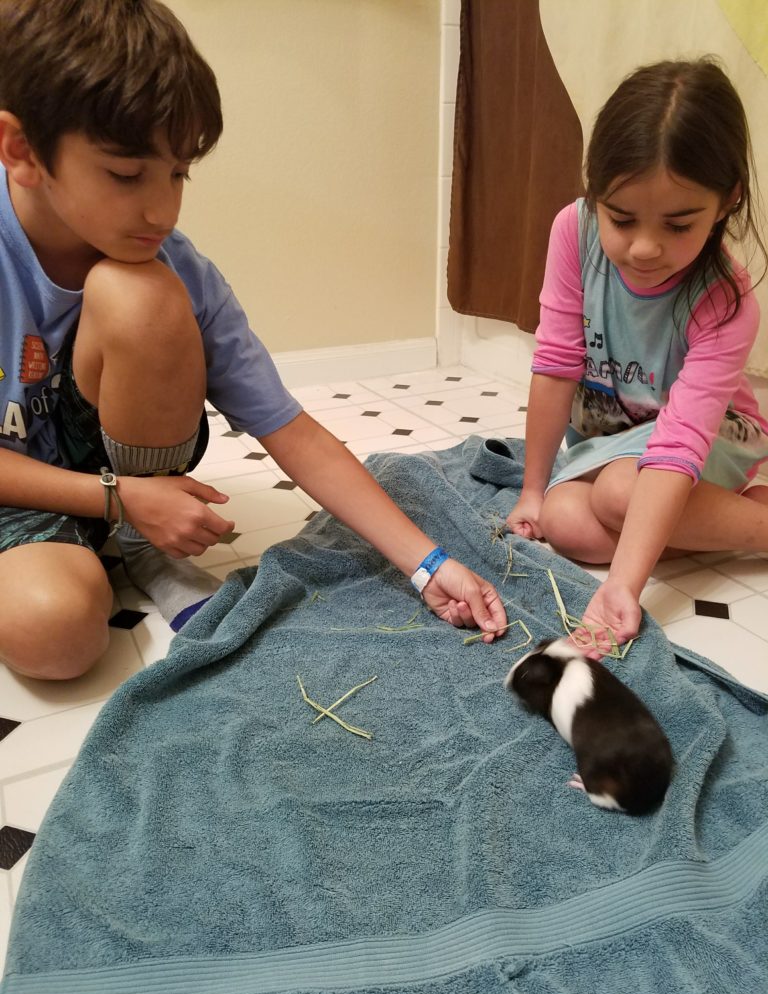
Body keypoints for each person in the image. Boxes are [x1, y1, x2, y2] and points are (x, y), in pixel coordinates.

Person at [0, 0, 507, 681]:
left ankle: (140, 543)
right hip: (20, 497)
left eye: (179, 172)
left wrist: (428, 564)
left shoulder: (173, 265)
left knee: (142, 294)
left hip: (119, 487)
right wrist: (116, 496)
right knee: (57, 636)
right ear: (23, 151)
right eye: (126, 175)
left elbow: (290, 430)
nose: (163, 209)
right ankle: (114, 526)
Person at [507, 58, 768, 656]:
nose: (645, 248)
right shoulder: (572, 232)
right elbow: (555, 364)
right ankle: (721, 519)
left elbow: (678, 444)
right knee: (564, 520)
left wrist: (624, 586)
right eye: (621, 218)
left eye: (679, 225)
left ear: (728, 200)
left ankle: (757, 526)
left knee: (620, 495)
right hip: (619, 439)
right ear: (594, 187)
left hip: (708, 438)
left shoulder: (725, 300)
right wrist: (531, 490)